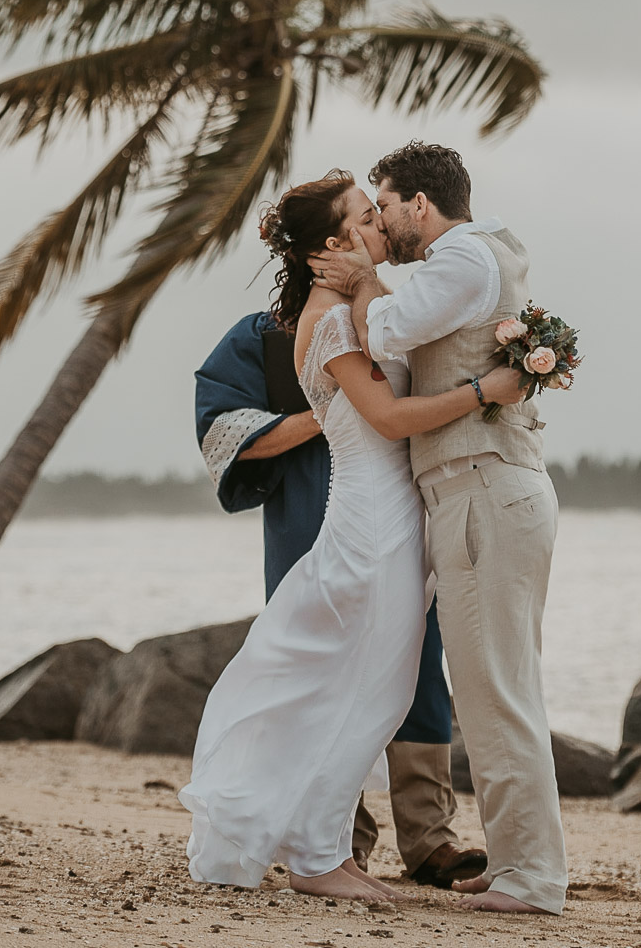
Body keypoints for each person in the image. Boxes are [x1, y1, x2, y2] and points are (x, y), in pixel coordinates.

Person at [179, 170, 525, 902]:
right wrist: (486, 392)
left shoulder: (363, 308)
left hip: (397, 517)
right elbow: (391, 421)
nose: (383, 224)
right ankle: (320, 860)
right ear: (335, 242)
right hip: (368, 521)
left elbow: (403, 332)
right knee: (366, 689)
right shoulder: (328, 321)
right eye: (367, 216)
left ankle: (325, 850)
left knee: (379, 689)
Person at [310, 141, 569, 916]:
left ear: (419, 204)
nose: (381, 220)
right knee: (491, 685)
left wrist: (363, 283)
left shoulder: (461, 261)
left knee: (497, 685)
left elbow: (386, 332)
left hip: (482, 488)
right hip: (479, 489)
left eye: (384, 204)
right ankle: (520, 860)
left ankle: (533, 878)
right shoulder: (479, 256)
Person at [194, 309, 485, 886]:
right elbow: (220, 431)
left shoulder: (396, 315)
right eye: (358, 221)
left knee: (417, 663)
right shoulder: (263, 336)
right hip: (309, 511)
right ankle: (337, 838)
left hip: (401, 510)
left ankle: (430, 836)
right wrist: (329, 415)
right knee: (318, 670)